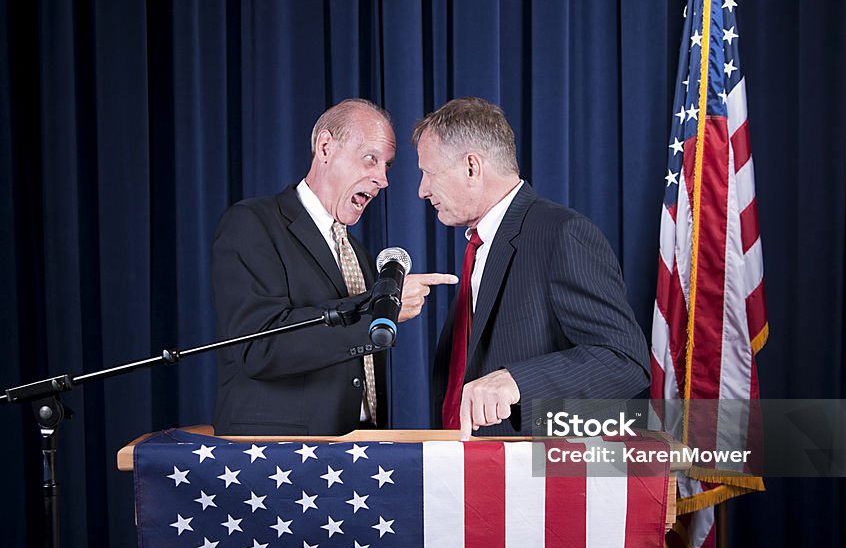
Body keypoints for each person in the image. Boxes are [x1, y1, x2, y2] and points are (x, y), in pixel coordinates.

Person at [211, 98, 455, 436]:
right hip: (279, 453)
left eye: (387, 166)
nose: (382, 180)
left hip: (359, 449)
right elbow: (259, 347)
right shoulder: (253, 224)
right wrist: (378, 313)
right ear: (325, 147)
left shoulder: (359, 255)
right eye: (371, 159)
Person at [412, 97, 650, 439]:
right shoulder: (480, 245)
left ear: (471, 167)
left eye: (428, 173)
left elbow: (625, 361)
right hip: (463, 470)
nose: (422, 190)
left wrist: (517, 381)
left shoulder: (561, 233)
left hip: (532, 480)